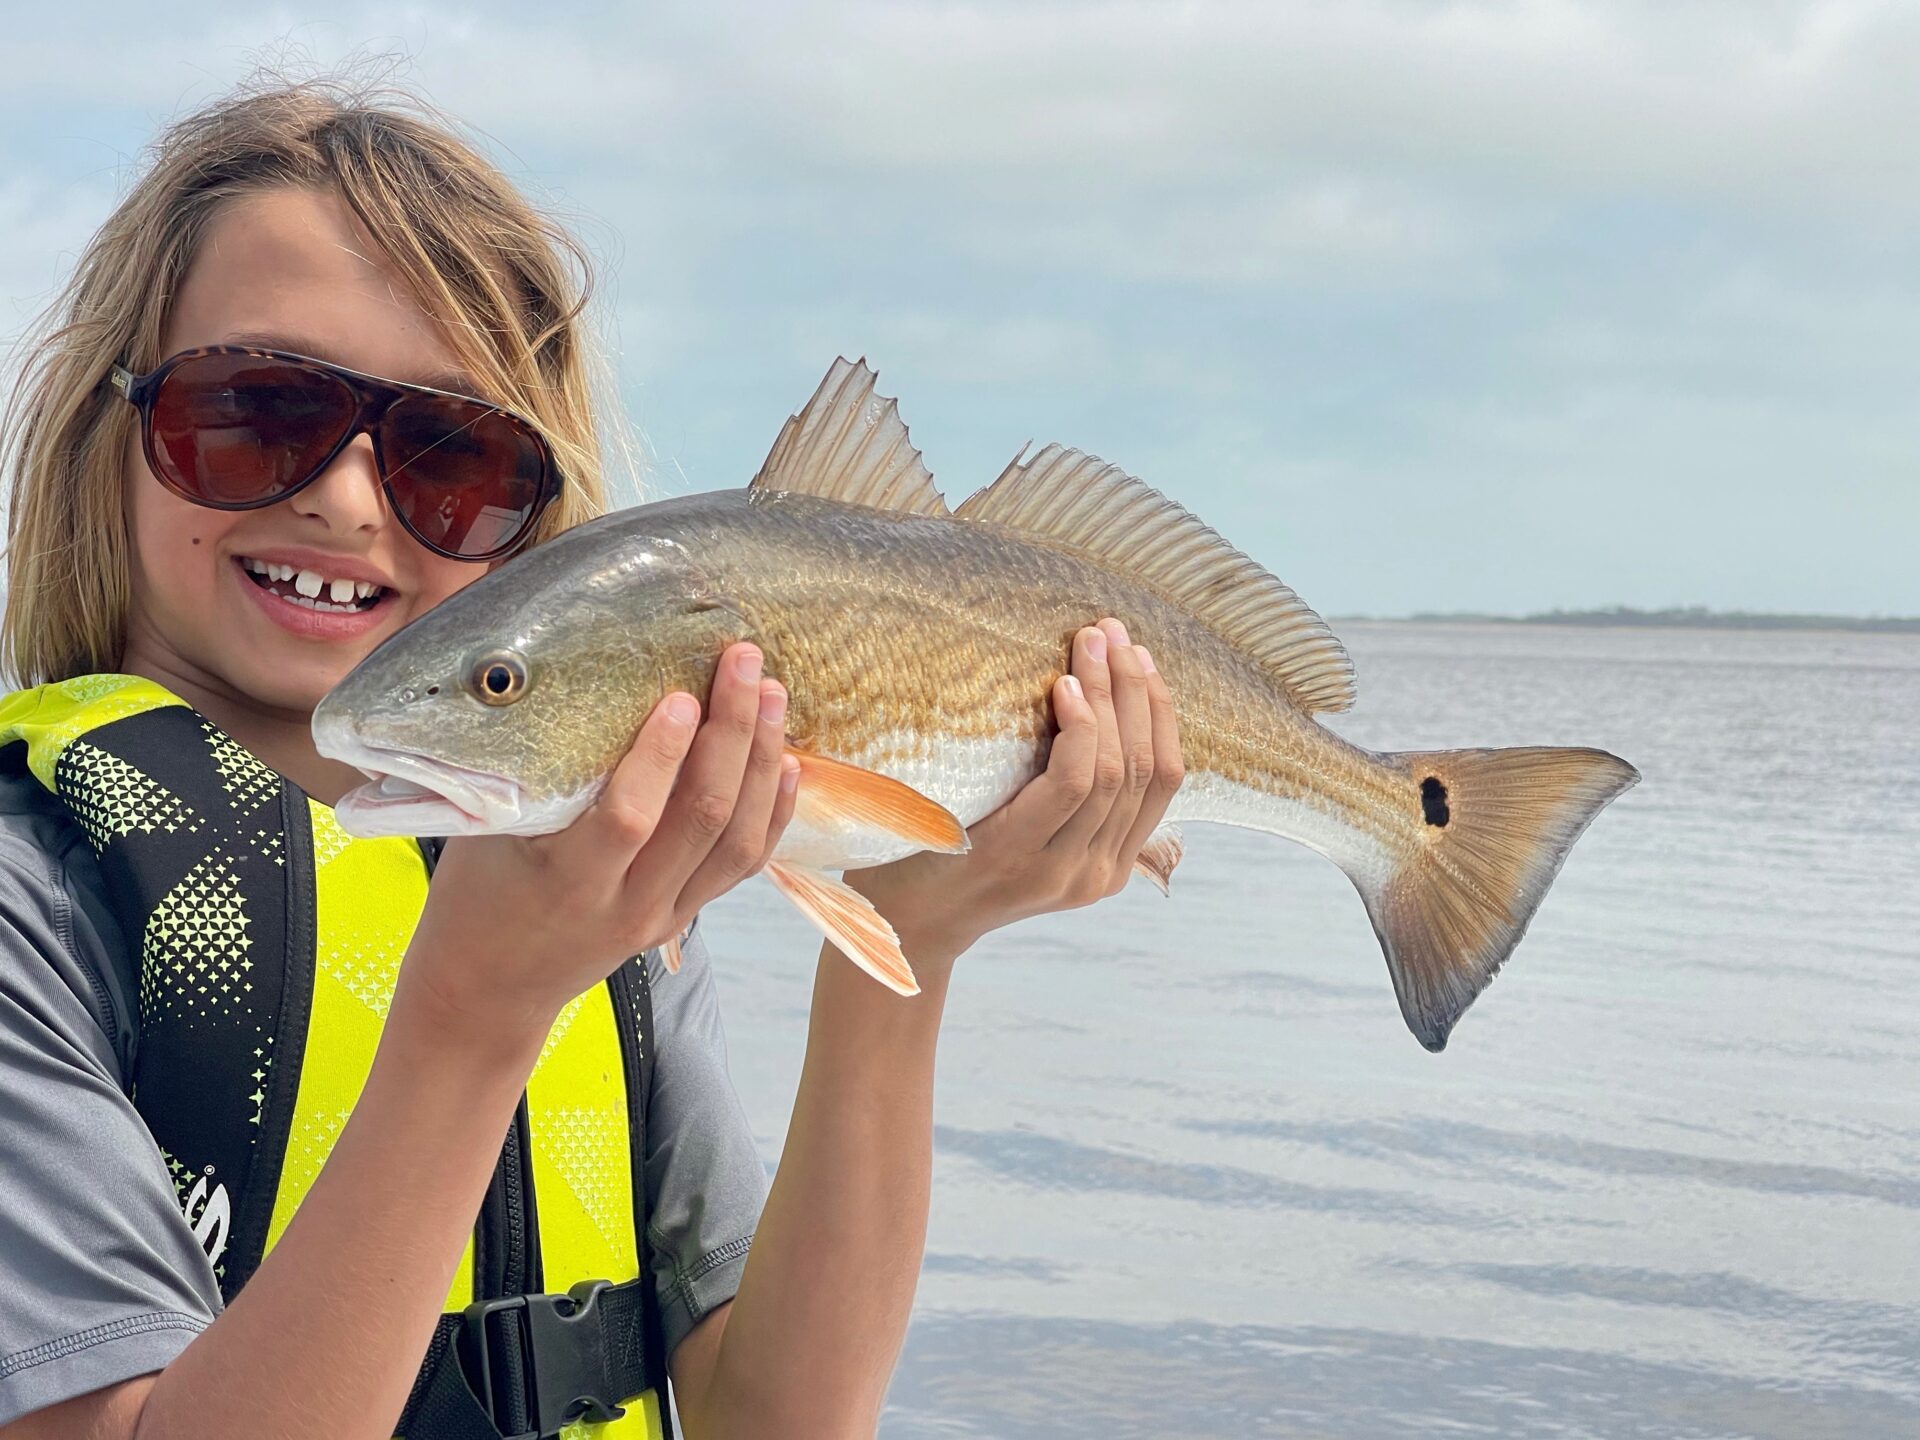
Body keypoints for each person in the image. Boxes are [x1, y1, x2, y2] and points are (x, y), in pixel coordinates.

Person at [0, 78, 1183, 1440]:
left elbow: (778, 1421)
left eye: (450, 456)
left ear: (536, 520)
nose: (342, 497)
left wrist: (911, 950)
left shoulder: (585, 875)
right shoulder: (39, 898)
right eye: (255, 409)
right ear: (111, 425)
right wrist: (475, 1017)